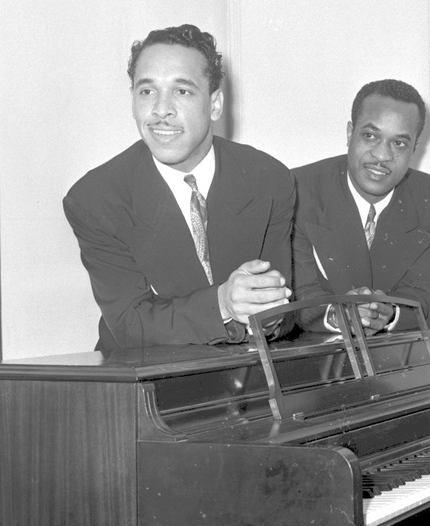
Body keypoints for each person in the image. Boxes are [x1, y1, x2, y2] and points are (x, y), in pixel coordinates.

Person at [63, 24, 294, 352]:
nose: (160, 110)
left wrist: (269, 314)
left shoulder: (269, 179)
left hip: (248, 379)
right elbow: (131, 325)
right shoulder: (95, 198)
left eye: (181, 91)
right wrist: (224, 305)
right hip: (141, 384)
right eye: (147, 91)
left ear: (215, 105)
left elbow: (282, 313)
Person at [291, 79, 430, 334]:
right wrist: (337, 315)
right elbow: (300, 294)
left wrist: (388, 315)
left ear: (415, 148)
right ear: (349, 134)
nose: (382, 156)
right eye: (370, 136)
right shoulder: (297, 190)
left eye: (399, 143)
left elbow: (420, 296)